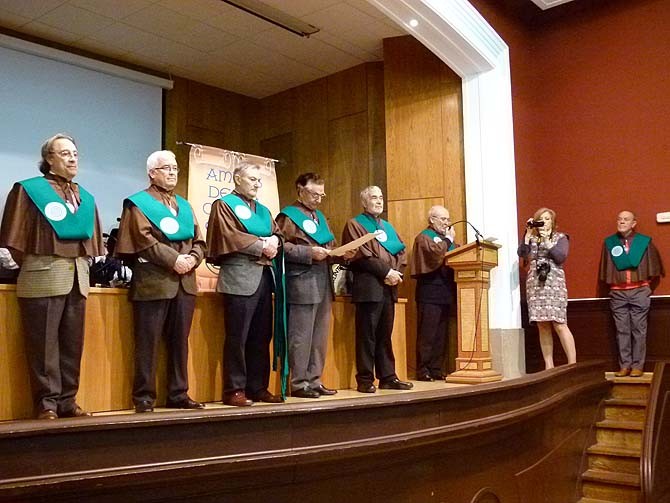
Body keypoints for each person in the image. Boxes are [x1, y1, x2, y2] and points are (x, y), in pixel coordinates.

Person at [0, 133, 104, 419]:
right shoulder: (28, 190)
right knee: (43, 347)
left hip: (78, 278)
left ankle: (68, 401)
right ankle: (47, 403)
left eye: (75, 154)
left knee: (72, 345)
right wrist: (38, 263)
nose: (72, 159)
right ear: (49, 159)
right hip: (43, 274)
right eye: (65, 153)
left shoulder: (83, 196)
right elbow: (14, 239)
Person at [115, 150, 206, 413]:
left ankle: (179, 393)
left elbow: (199, 241)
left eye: (175, 168)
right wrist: (173, 260)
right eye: (167, 168)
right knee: (148, 343)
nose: (173, 172)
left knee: (180, 342)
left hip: (185, 282)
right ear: (152, 173)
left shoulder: (184, 206)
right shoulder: (138, 204)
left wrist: (192, 259)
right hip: (154, 282)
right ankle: (144, 396)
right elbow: (142, 239)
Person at [206, 162, 284, 406]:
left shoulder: (263, 210)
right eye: (252, 179)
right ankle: (234, 389)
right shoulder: (224, 205)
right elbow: (229, 235)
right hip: (239, 278)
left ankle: (257, 387)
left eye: (259, 180)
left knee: (261, 335)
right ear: (237, 179)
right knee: (237, 337)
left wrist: (275, 241)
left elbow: (278, 233)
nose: (257, 184)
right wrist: (262, 246)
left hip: (264, 278)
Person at [342, 186, 413, 393]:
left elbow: (401, 252)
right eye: (374, 197)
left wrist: (396, 273)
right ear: (364, 202)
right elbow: (360, 256)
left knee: (384, 335)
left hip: (389, 287)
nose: (379, 201)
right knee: (367, 335)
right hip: (369, 286)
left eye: (381, 197)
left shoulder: (387, 227)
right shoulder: (354, 224)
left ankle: (388, 377)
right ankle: (365, 379)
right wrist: (386, 272)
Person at [275, 173, 339, 399]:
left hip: (323, 281)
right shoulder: (288, 216)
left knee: (319, 337)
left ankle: (315, 379)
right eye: (314, 194)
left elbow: (330, 243)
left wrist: (340, 252)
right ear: (300, 190)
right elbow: (281, 247)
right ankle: (298, 382)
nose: (318, 199)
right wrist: (309, 252)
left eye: (321, 195)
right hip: (301, 281)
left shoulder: (320, 217)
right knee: (301, 336)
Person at [599, 210, 663, 377]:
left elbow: (653, 268)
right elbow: (606, 269)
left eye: (626, 219)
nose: (621, 222)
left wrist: (645, 286)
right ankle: (625, 365)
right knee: (622, 331)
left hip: (639, 291)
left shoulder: (643, 242)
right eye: (619, 219)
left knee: (639, 330)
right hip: (618, 293)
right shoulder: (610, 243)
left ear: (633, 223)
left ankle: (637, 366)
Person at [517, 207, 576, 370]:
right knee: (542, 325)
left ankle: (572, 365)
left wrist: (548, 242)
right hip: (535, 284)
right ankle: (549, 366)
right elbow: (522, 253)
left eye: (547, 219)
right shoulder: (532, 238)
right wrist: (527, 235)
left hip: (554, 283)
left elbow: (560, 257)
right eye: (541, 219)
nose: (544, 222)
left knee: (559, 323)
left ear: (553, 222)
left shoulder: (561, 238)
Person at [410, 205, 457, 381]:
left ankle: (436, 368)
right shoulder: (424, 237)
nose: (447, 223)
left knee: (441, 334)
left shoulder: (445, 239)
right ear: (432, 220)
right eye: (443, 219)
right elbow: (434, 256)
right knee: (427, 334)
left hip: (445, 291)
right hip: (429, 291)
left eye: (448, 219)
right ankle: (423, 369)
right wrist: (449, 240)